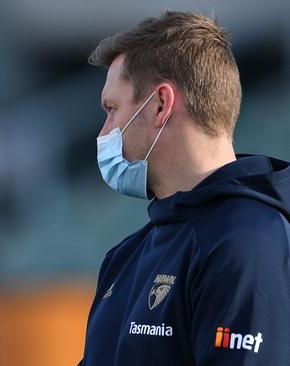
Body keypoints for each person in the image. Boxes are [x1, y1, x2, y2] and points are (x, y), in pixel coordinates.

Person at [81, 11, 290, 365]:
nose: (104, 133)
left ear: (160, 104)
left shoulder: (249, 243)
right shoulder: (124, 256)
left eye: (112, 110)